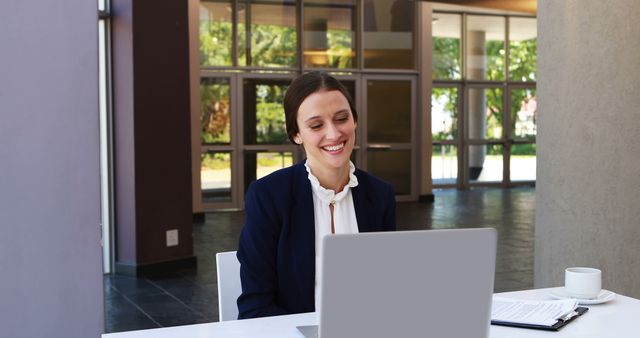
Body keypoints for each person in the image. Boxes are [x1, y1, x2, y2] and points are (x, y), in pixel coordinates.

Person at [236, 71, 396, 319]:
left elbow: (387, 291)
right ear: (296, 134)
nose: (333, 134)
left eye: (342, 118)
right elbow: (255, 309)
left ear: (355, 121)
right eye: (316, 125)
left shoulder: (380, 195)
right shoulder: (268, 196)